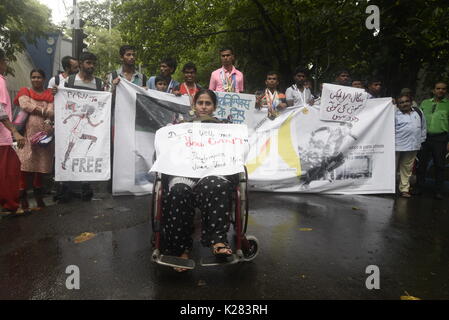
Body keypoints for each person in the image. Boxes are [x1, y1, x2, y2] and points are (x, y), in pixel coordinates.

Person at [161, 89, 237, 272]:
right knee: (178, 191)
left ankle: (218, 241)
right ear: (194, 105)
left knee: (217, 186)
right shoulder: (181, 126)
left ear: (215, 107)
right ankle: (180, 250)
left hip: (212, 171)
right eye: (200, 102)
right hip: (184, 172)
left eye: (208, 103)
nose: (203, 106)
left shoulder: (225, 129)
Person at [54, 52, 105, 202]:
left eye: (93, 63)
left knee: (84, 152)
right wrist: (56, 93)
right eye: (89, 63)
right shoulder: (69, 80)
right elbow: (61, 100)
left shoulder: (99, 84)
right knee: (69, 150)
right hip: (71, 128)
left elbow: (103, 105)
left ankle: (86, 186)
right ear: (81, 63)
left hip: (88, 129)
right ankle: (65, 188)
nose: (92, 66)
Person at [14, 69, 54, 211]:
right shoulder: (25, 91)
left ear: (44, 79)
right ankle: (22, 195)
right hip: (26, 134)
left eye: (39, 77)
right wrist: (43, 111)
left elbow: (52, 111)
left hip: (45, 135)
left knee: (41, 165)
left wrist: (47, 118)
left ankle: (38, 194)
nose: (36, 79)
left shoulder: (49, 94)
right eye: (33, 77)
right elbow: (25, 105)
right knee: (25, 164)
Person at [413, 81, 449, 200]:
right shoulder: (425, 103)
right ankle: (418, 188)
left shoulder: (447, 104)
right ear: (433, 90)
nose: (440, 91)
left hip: (441, 138)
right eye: (438, 88)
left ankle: (438, 191)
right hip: (425, 138)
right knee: (421, 164)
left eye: (443, 89)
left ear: (446, 91)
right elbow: (417, 118)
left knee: (439, 165)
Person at [0, 48, 25, 214]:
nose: (6, 64)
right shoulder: (0, 81)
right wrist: (14, 132)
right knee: (9, 171)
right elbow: (0, 110)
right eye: (5, 61)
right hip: (2, 138)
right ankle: (10, 205)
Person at [395, 94, 426, 198]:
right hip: (396, 146)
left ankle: (404, 189)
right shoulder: (394, 114)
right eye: (401, 102)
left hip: (413, 146)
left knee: (407, 170)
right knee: (392, 168)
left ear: (411, 102)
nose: (404, 104)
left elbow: (423, 127)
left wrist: (421, 141)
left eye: (406, 101)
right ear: (398, 105)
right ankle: (388, 188)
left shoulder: (418, 112)